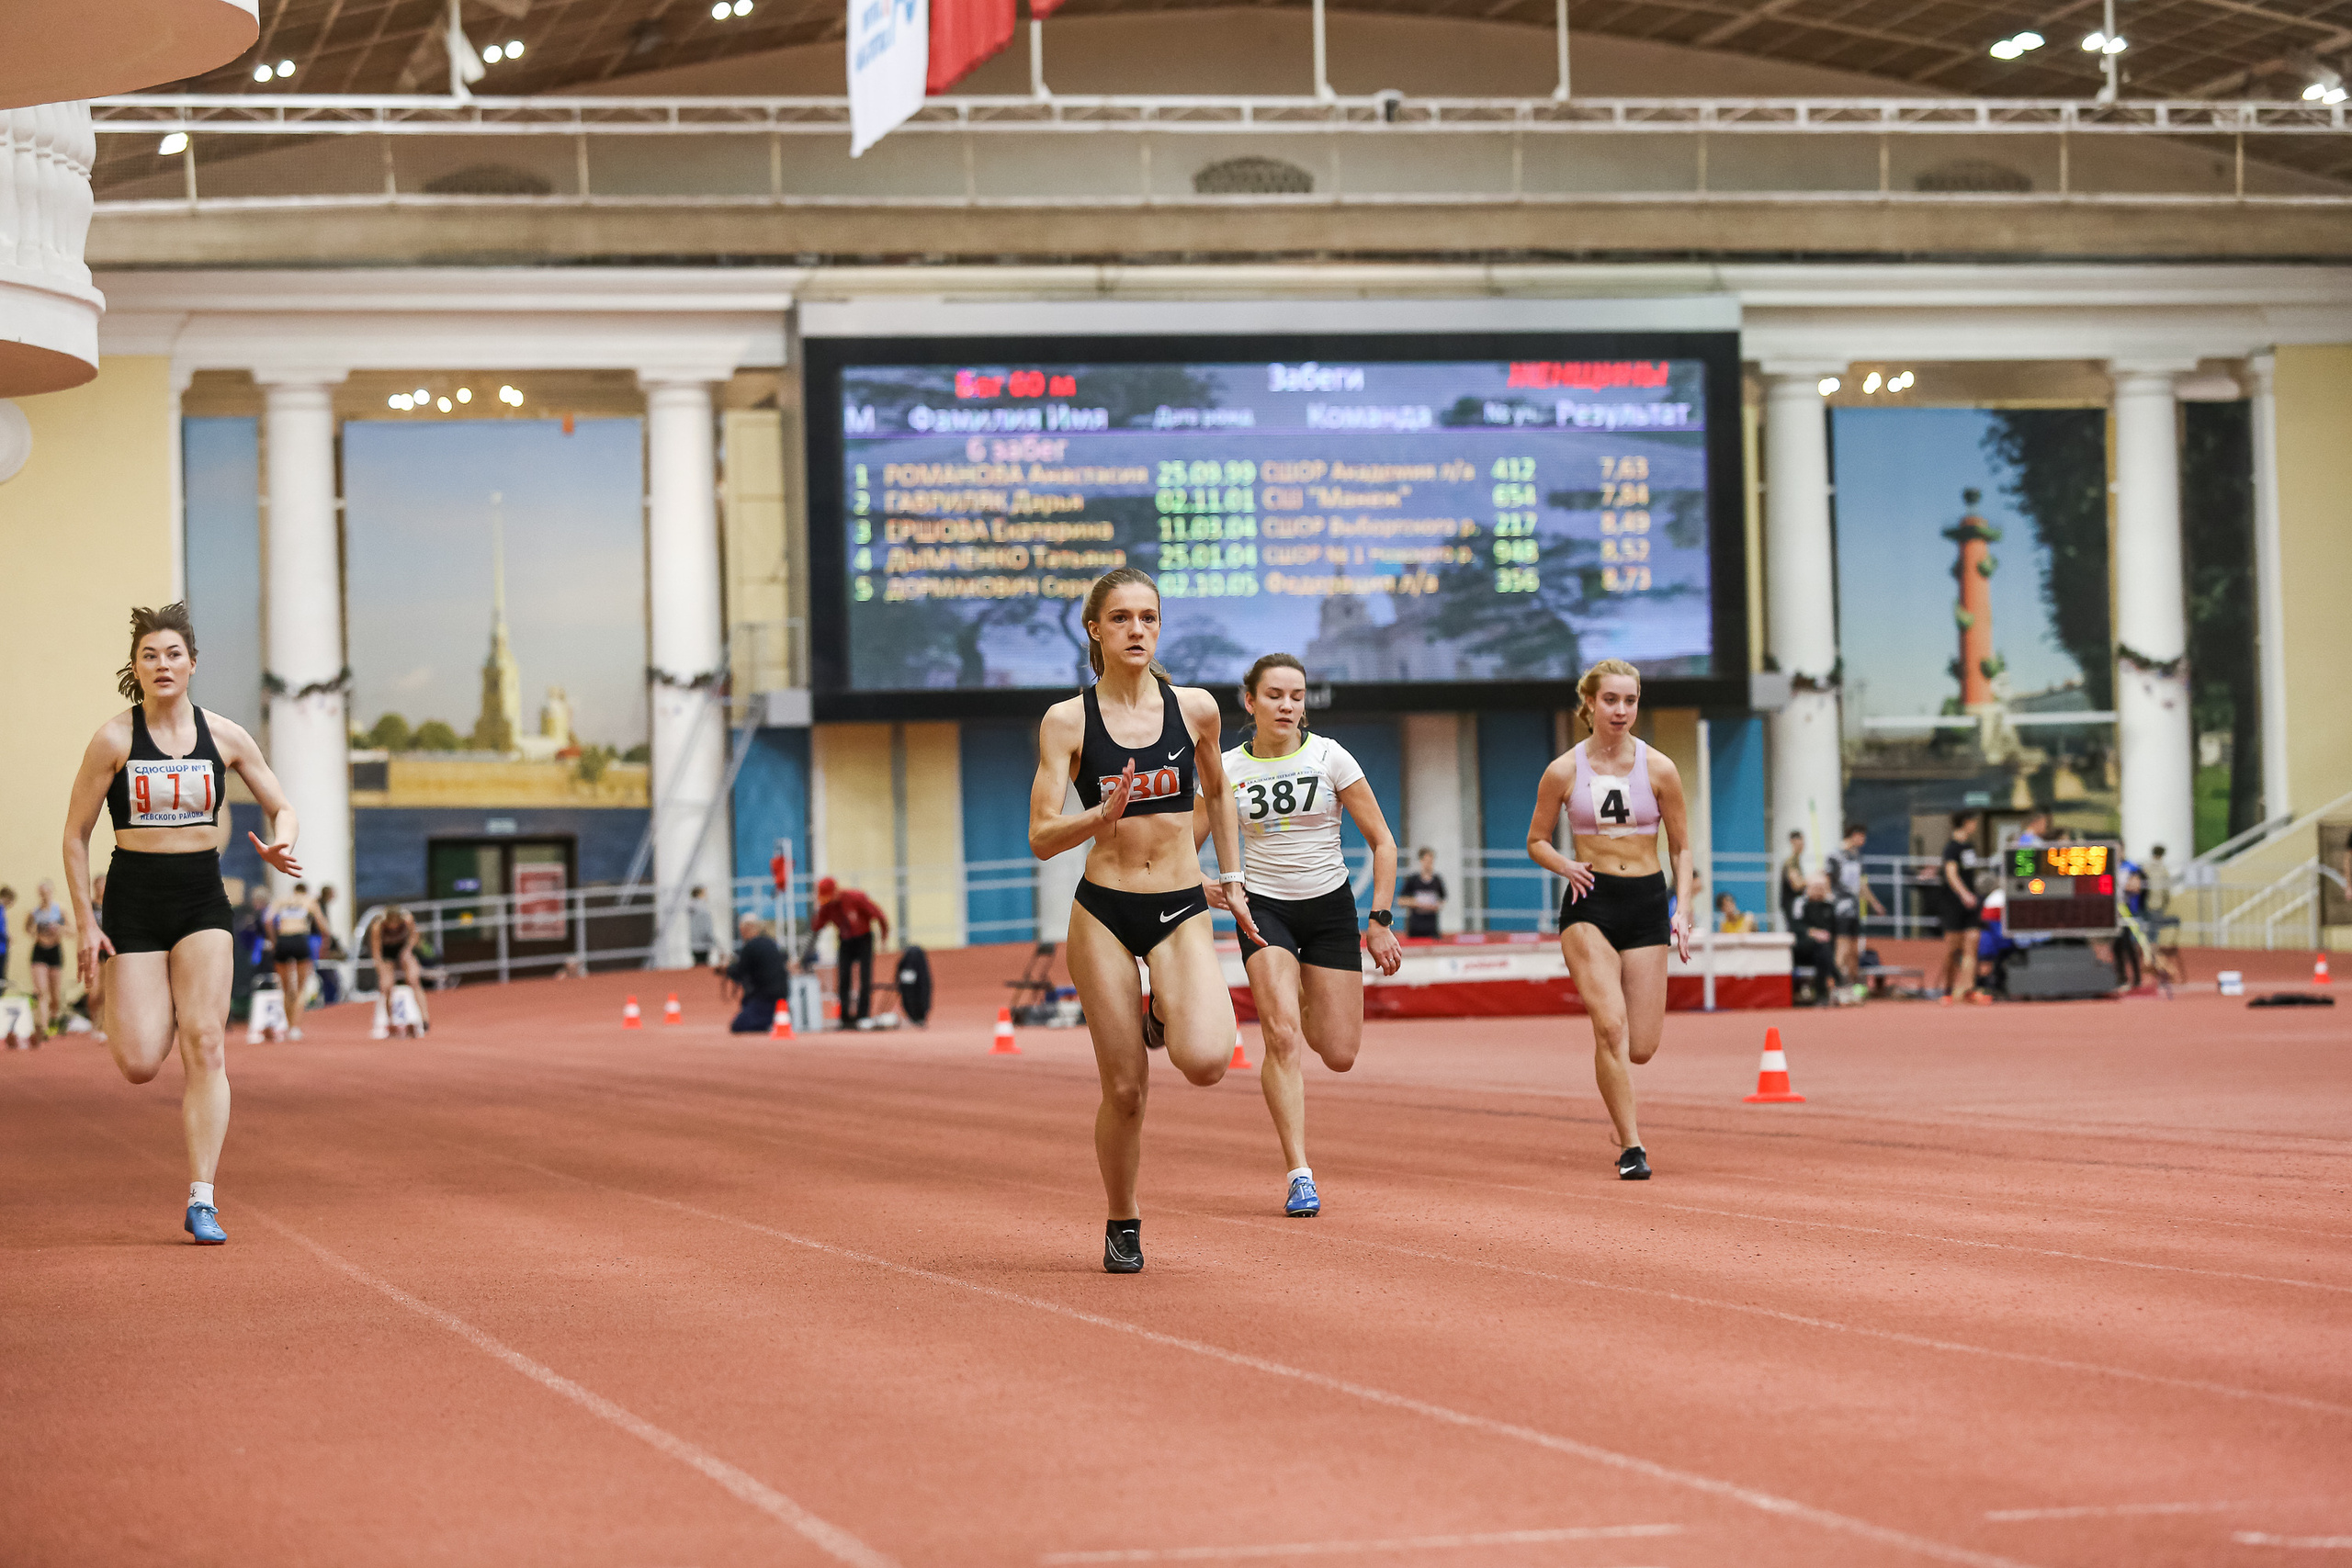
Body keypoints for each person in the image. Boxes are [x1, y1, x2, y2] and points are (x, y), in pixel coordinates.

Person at [1029, 567, 1256, 1273]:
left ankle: (1161, 1012)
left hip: (1181, 902)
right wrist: (1099, 815)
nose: (1137, 629)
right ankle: (1122, 1217)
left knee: (1208, 1060)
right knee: (1126, 1090)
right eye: (1122, 617)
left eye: (1149, 617)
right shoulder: (1068, 721)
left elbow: (1218, 791)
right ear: (1095, 629)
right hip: (1104, 908)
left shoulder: (1196, 709)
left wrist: (1233, 878)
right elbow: (1041, 836)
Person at [62, 602, 302, 1246]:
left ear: (193, 664)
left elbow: (281, 806)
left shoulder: (224, 736)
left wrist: (282, 841)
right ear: (136, 668)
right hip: (134, 902)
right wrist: (87, 922)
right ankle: (156, 999)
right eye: (150, 655)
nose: (162, 664)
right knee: (141, 1062)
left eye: (173, 654)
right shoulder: (114, 740)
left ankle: (202, 1198)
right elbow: (75, 835)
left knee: (206, 1041)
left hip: (201, 898)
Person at [1201, 653, 1404, 1219]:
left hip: (1330, 908)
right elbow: (1181, 846)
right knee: (1282, 1036)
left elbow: (1383, 843)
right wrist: (1205, 884)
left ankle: (1306, 994)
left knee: (1339, 1054)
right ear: (1250, 702)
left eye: (1296, 695)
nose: (1287, 705)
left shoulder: (1330, 756)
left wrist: (1380, 920)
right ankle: (1299, 1174)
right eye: (1274, 695)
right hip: (1264, 909)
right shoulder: (1227, 769)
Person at [1524, 659, 1694, 1181]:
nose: (1621, 710)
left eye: (1630, 700)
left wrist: (1683, 909)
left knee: (1641, 1047)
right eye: (1611, 700)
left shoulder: (1660, 769)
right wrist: (1565, 865)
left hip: (1646, 901)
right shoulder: (1563, 771)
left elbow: (1682, 847)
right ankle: (1632, 1145)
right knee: (1610, 1026)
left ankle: (1622, 1115)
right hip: (1590, 901)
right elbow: (1536, 841)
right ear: (1590, 704)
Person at [808, 875, 889, 1028]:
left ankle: (863, 1016)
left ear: (836, 891)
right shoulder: (827, 907)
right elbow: (816, 927)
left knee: (865, 977)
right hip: (845, 941)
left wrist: (884, 936)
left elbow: (879, 916)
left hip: (864, 939)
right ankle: (845, 1018)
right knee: (843, 977)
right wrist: (817, 912)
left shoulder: (855, 898)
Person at [1823, 822, 1882, 1004]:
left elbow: (1861, 885)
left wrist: (1874, 903)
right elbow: (1827, 879)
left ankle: (1852, 985)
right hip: (1840, 908)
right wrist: (1829, 900)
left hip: (1854, 908)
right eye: (1862, 836)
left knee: (1854, 951)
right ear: (1854, 835)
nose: (1864, 840)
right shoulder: (1834, 855)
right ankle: (1834, 986)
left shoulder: (1857, 857)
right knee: (1843, 947)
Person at [1937, 811, 1987, 1006]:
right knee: (1953, 950)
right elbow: (1951, 874)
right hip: (1954, 904)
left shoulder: (1970, 847)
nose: (1975, 826)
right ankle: (1948, 990)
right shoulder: (1951, 848)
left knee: (1972, 945)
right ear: (1966, 823)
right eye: (1973, 822)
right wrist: (1964, 894)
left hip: (1971, 904)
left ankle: (1968, 989)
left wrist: (1972, 895)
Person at [266, 881, 325, 1040]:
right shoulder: (309, 901)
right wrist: (325, 940)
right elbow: (322, 924)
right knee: (300, 988)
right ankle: (295, 1028)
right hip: (300, 939)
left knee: (286, 989)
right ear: (305, 891)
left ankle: (288, 1025)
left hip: (283, 940)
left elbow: (268, 920)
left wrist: (273, 941)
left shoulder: (282, 900)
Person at [722, 914, 791, 1032]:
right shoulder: (771, 942)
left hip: (764, 997)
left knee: (738, 1026)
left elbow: (740, 972)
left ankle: (768, 1023)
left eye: (742, 930)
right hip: (781, 994)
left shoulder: (751, 946)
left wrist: (726, 969)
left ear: (748, 928)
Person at [368, 905, 432, 1032]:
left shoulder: (407, 920)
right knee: (386, 986)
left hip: (403, 951)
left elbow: (414, 936)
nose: (393, 926)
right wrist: (380, 968)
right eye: (391, 922)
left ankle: (425, 1018)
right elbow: (376, 951)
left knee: (413, 980)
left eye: (396, 921)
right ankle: (391, 1020)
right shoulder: (378, 926)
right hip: (387, 954)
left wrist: (407, 950)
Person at [27, 880, 71, 1038]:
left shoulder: (60, 910)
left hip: (55, 951)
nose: (44, 895)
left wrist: (59, 928)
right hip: (39, 952)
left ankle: (54, 1019)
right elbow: (28, 929)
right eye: (42, 893)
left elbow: (71, 931)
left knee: (55, 995)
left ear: (52, 892)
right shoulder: (34, 912)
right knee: (41, 991)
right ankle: (43, 1027)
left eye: (47, 892)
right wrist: (34, 931)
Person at [1792, 873, 1841, 1004]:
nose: (1819, 891)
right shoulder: (1800, 904)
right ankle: (1837, 979)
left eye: (1821, 888)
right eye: (1816, 887)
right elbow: (1795, 926)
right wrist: (1812, 932)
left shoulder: (1829, 906)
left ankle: (1822, 994)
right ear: (1808, 888)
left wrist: (1824, 937)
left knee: (1823, 949)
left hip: (1823, 950)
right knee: (1821, 947)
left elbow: (1833, 932)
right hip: (1803, 948)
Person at [1398, 848, 1447, 940]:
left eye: (1431, 861)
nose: (1428, 863)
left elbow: (1443, 900)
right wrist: (1418, 903)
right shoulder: (1412, 880)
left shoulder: (1437, 880)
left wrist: (1435, 905)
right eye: (1426, 860)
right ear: (1421, 861)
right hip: (1415, 926)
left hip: (1431, 927)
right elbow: (1401, 901)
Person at [1778, 830, 1807, 931]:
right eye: (1801, 841)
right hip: (1791, 903)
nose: (1803, 844)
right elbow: (1796, 885)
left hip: (1795, 903)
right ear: (1793, 841)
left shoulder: (1797, 861)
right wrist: (1812, 880)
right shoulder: (1791, 862)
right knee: (1795, 931)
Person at [686, 884, 717, 967]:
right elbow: (707, 929)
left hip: (694, 943)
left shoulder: (692, 909)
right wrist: (713, 942)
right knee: (703, 968)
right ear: (699, 894)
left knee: (698, 965)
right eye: (704, 893)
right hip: (704, 943)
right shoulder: (703, 910)